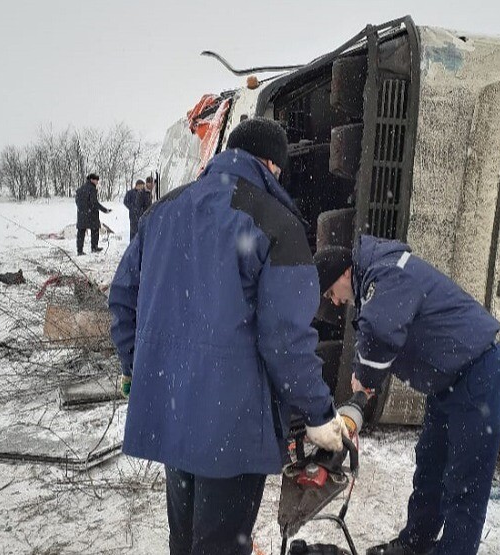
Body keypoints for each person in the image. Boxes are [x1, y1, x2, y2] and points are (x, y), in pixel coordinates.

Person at [108, 117, 348, 555]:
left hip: (173, 412)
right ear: (273, 166)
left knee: (184, 542)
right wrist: (318, 412)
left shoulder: (163, 210)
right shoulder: (275, 222)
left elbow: (123, 301)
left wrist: (136, 369)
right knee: (220, 546)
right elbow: (286, 339)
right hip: (231, 426)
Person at [314, 236, 500, 555]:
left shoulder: (389, 273)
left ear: (343, 273)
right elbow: (370, 329)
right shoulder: (376, 280)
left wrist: (365, 377)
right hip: (447, 381)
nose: (335, 301)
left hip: (480, 374)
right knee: (431, 467)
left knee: (465, 483)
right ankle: (415, 543)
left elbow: (380, 330)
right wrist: (360, 374)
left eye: (330, 293)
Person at [75, 173, 111, 255]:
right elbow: (94, 202)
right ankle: (94, 247)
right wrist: (105, 210)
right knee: (95, 229)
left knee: (81, 231)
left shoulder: (80, 189)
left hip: (81, 213)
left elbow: (77, 201)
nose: (97, 182)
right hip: (91, 214)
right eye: (96, 180)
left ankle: (79, 250)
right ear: (91, 180)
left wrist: (82, 209)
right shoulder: (92, 189)